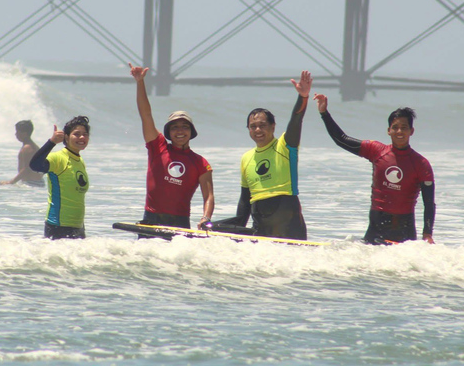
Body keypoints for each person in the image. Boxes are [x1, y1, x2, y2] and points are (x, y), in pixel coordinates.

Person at [313, 94, 436, 245]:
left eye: (404, 128)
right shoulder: (376, 151)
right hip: (376, 228)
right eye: (395, 127)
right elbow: (341, 139)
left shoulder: (421, 164)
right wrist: (324, 113)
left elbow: (429, 203)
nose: (399, 131)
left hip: (404, 230)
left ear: (411, 131)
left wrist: (427, 234)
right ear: (388, 130)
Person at [211, 71, 313, 240]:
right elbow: (244, 202)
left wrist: (303, 97)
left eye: (262, 125)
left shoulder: (285, 146)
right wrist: (216, 228)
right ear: (248, 130)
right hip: (260, 228)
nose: (257, 130)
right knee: (210, 228)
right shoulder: (246, 158)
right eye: (253, 126)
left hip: (289, 224)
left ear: (273, 127)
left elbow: (296, 120)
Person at [129, 63, 214, 230]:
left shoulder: (201, 163)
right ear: (169, 132)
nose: (180, 131)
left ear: (191, 131)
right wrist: (140, 82)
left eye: (185, 127)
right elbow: (146, 115)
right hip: (151, 218)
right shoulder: (158, 147)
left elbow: (208, 196)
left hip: (180, 222)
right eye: (175, 127)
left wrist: (206, 218)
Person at [29, 116, 91, 240]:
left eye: (85, 134)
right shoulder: (58, 158)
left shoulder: (79, 161)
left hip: (77, 226)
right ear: (66, 137)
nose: (82, 137)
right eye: (76, 134)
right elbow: (35, 165)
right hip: (58, 226)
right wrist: (51, 142)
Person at [0, 120, 45, 187]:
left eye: (17, 132)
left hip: (32, 184)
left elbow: (27, 168)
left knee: (3, 186)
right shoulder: (33, 146)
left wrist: (11, 182)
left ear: (24, 133)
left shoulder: (28, 148)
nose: (15, 134)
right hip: (35, 183)